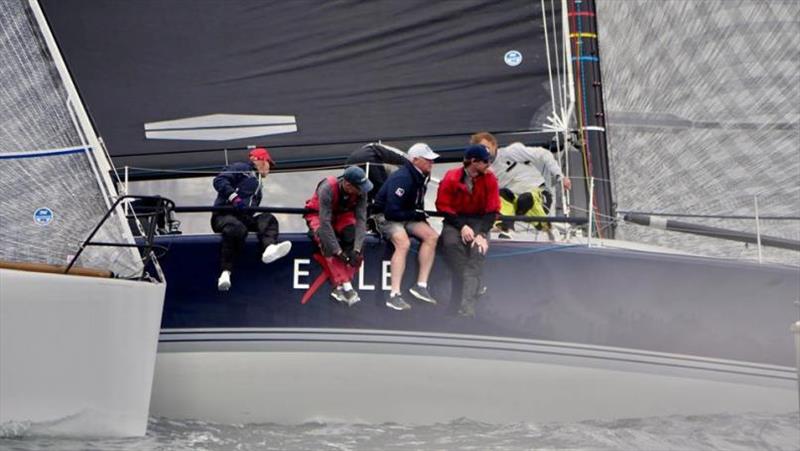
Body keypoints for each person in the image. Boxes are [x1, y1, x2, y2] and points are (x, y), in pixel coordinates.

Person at [211, 147, 292, 291]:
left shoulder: (258, 183)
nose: (270, 168)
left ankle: (269, 248)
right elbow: (219, 180)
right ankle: (225, 273)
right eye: (268, 163)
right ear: (258, 160)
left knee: (268, 218)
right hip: (223, 215)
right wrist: (234, 198)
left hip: (243, 218)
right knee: (236, 229)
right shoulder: (242, 168)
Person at [372, 143, 440, 311]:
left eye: (432, 160)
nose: (432, 163)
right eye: (428, 160)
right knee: (403, 243)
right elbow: (391, 212)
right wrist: (415, 214)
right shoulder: (403, 178)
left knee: (431, 236)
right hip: (385, 216)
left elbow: (416, 204)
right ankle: (394, 295)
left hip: (405, 214)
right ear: (415, 160)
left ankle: (421, 285)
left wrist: (419, 216)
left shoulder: (423, 175)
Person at [435, 144, 500, 318]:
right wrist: (461, 226)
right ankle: (476, 287)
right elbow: (443, 206)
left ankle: (466, 306)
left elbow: (492, 209)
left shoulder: (490, 178)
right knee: (450, 244)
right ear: (473, 162)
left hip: (479, 221)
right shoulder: (451, 177)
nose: (489, 165)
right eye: (485, 161)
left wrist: (482, 234)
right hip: (455, 220)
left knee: (477, 252)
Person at [470, 132, 571, 238]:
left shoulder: (511, 152)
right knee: (500, 194)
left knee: (525, 198)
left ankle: (548, 227)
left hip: (540, 196)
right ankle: (506, 229)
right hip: (515, 204)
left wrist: (560, 176)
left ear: (494, 145)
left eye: (486, 147)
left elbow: (544, 154)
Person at [304, 166, 371, 306]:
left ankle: (344, 286)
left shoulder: (362, 191)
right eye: (359, 187)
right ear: (347, 184)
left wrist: (357, 249)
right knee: (325, 239)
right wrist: (338, 252)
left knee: (355, 240)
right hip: (319, 215)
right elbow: (325, 223)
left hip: (342, 215)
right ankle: (345, 286)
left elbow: (361, 220)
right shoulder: (327, 188)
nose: (362, 191)